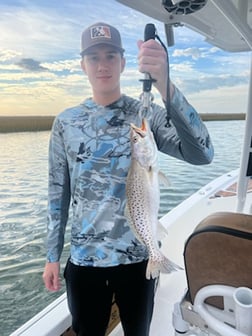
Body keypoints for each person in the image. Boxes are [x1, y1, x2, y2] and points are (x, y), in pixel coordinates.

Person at [43, 22, 214, 336]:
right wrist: (52, 256)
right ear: (83, 65)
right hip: (85, 262)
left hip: (139, 260)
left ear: (123, 62)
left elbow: (202, 153)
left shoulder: (145, 116)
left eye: (111, 55)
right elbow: (58, 193)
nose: (103, 64)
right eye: (94, 57)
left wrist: (165, 84)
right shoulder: (66, 122)